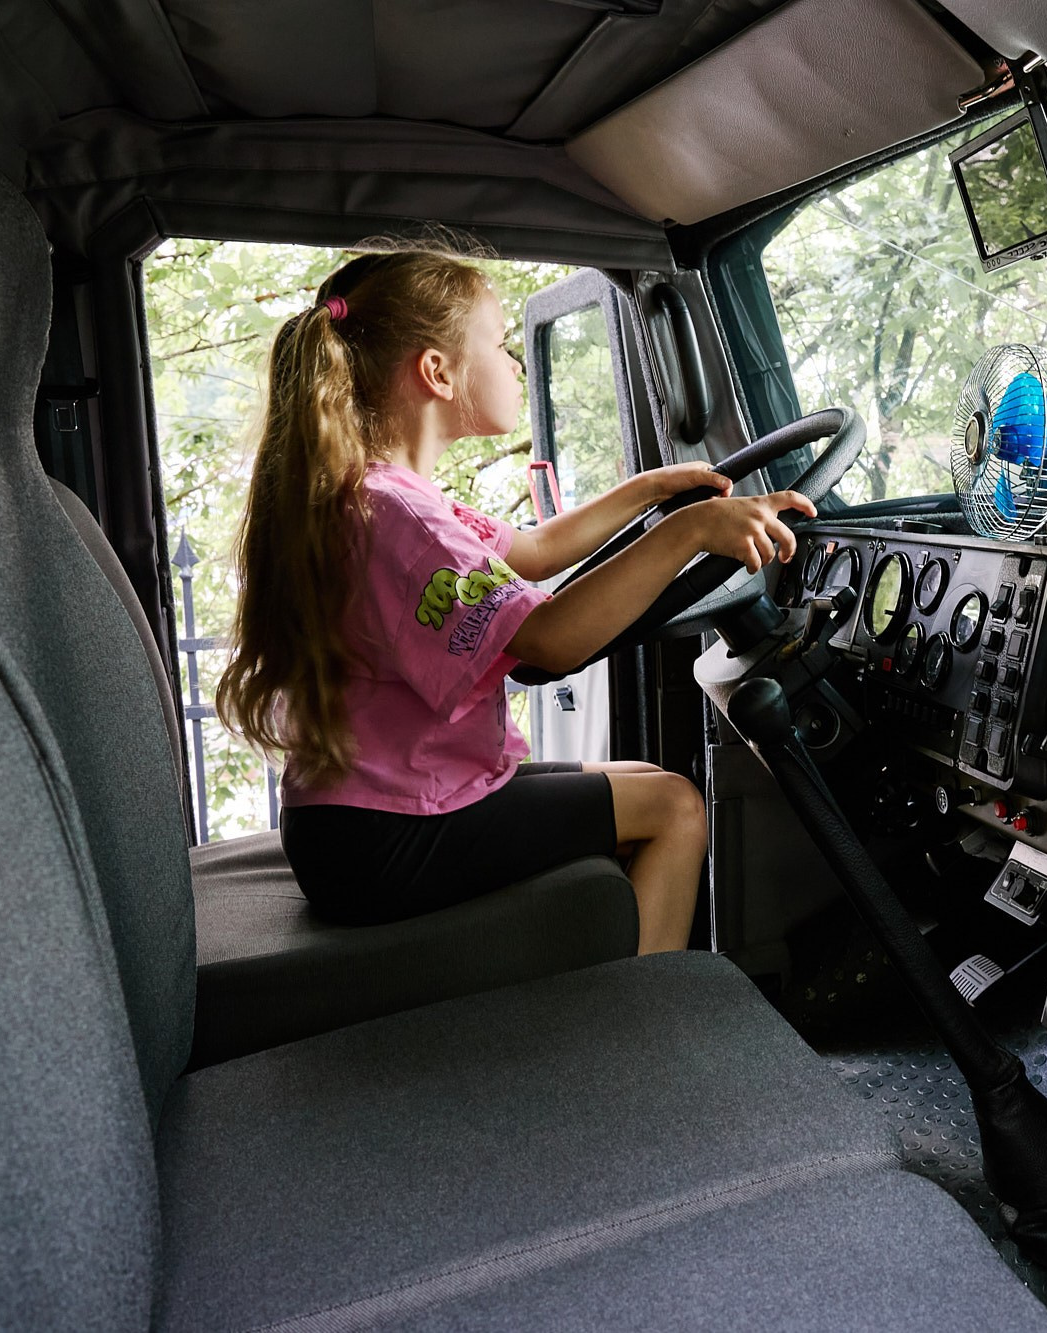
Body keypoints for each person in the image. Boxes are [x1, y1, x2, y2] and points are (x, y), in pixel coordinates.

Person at [215, 249, 813, 953]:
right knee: (676, 808)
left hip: (355, 820)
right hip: (385, 833)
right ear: (436, 371)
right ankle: (649, 1041)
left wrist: (653, 489)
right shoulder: (399, 517)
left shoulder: (385, 497)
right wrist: (690, 530)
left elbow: (533, 550)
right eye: (497, 345)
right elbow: (552, 640)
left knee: (644, 780)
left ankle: (590, 1001)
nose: (513, 365)